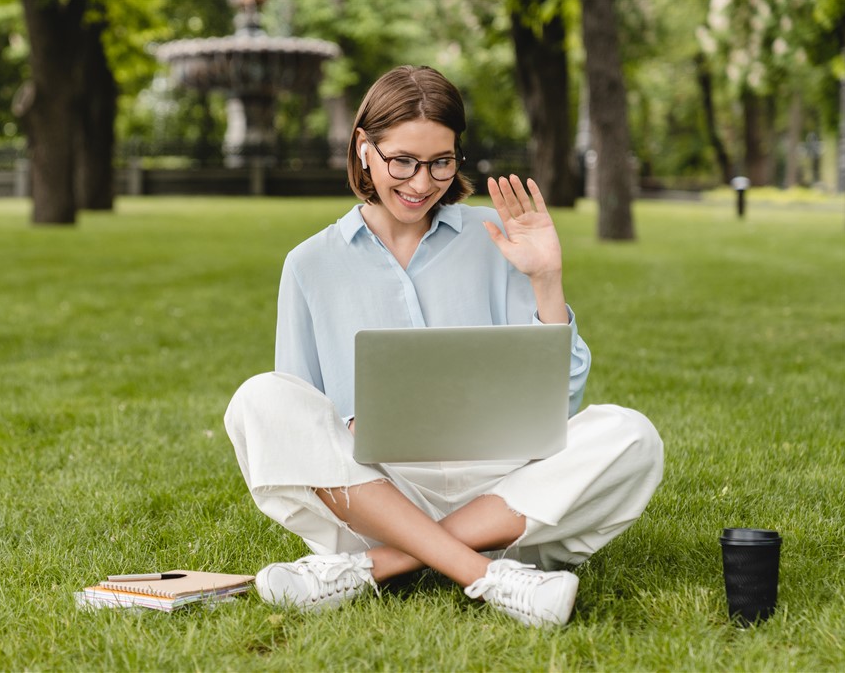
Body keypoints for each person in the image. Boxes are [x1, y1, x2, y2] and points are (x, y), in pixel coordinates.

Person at [223, 65, 664, 628]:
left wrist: (546, 279)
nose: (421, 182)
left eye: (440, 162)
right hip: (377, 491)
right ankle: (488, 574)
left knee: (632, 435)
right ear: (364, 148)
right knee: (260, 397)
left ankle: (370, 569)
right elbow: (301, 418)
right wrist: (348, 423)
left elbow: (560, 403)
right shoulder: (309, 264)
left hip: (501, 488)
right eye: (402, 161)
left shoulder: (497, 238)